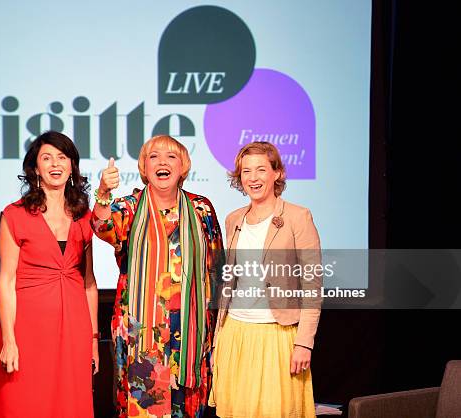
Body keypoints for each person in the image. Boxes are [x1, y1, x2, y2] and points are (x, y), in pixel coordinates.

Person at [91, 135, 224, 418]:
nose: (163, 162)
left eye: (171, 156)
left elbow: (217, 272)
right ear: (144, 166)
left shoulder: (202, 209)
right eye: (154, 156)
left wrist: (218, 332)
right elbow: (101, 226)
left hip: (191, 335)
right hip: (140, 336)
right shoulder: (127, 208)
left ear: (183, 166)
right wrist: (103, 191)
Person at [0, 131, 99, 418]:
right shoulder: (15, 215)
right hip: (28, 329)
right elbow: (7, 281)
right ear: (35, 168)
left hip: (75, 328)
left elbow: (89, 283)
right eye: (46, 158)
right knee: (24, 402)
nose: (55, 164)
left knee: (69, 405)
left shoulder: (84, 216)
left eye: (62, 157)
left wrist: (94, 341)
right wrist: (9, 340)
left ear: (72, 166)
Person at [208, 141, 322, 418]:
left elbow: (312, 284)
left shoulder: (298, 216)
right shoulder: (234, 218)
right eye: (246, 171)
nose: (253, 178)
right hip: (235, 333)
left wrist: (304, 342)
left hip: (277, 334)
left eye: (261, 169)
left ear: (277, 173)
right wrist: (218, 341)